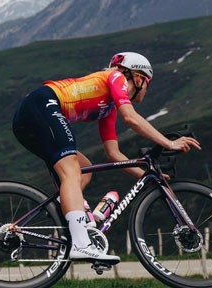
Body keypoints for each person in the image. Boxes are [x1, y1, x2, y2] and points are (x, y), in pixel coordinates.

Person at [12, 52, 200, 264]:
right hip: (43, 105)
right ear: (138, 78)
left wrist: (151, 178)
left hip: (28, 117)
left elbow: (114, 154)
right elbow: (131, 118)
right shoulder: (117, 78)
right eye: (147, 83)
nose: (146, 89)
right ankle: (81, 243)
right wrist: (169, 143)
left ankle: (63, 209)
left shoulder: (107, 108)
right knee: (71, 170)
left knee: (84, 169)